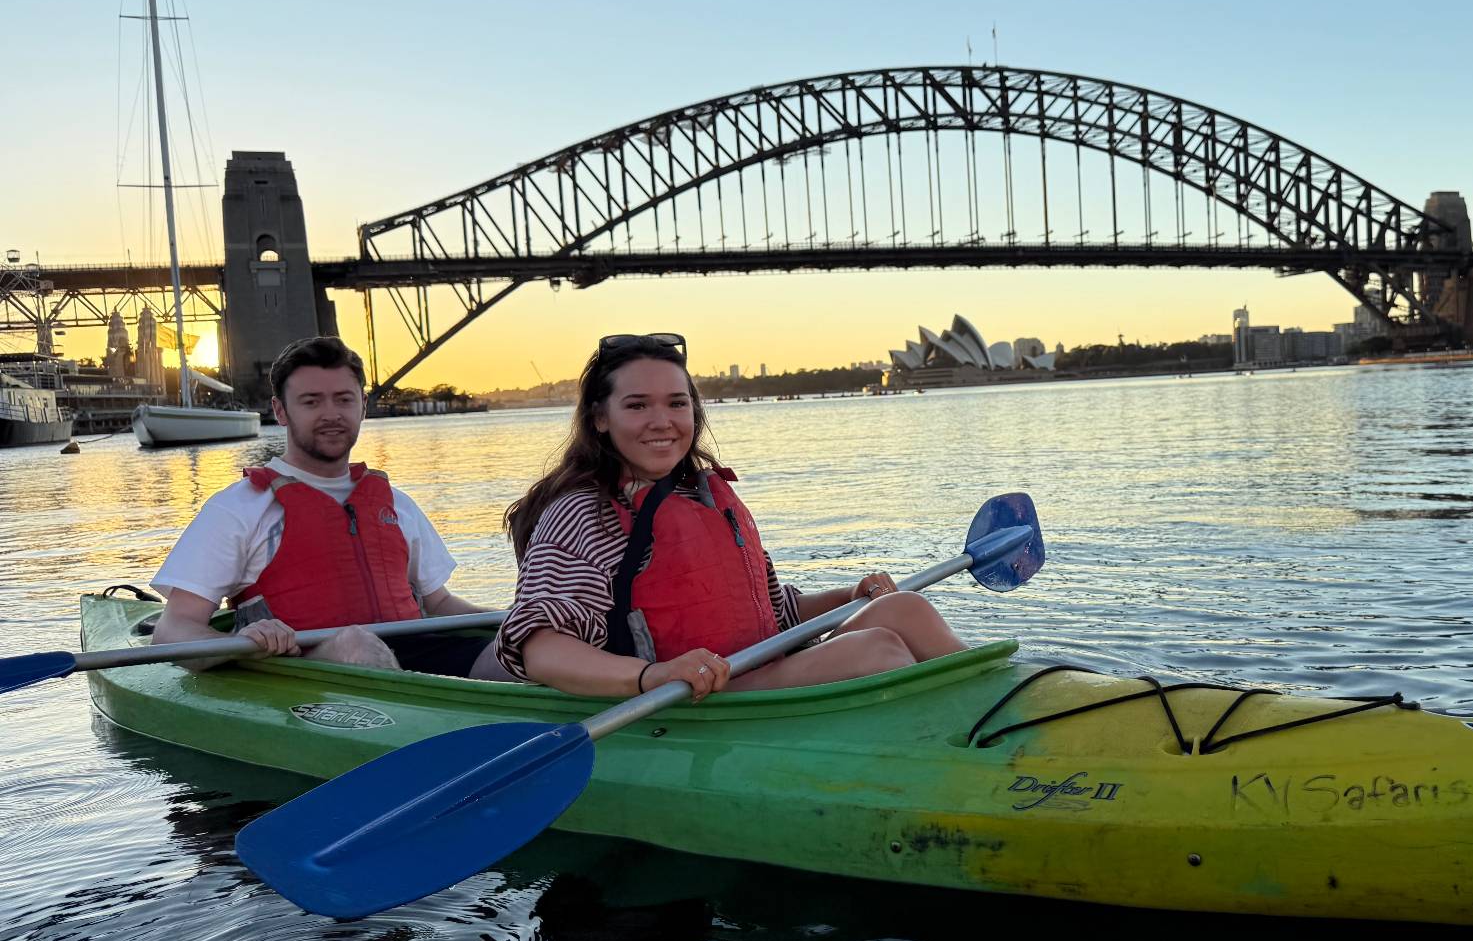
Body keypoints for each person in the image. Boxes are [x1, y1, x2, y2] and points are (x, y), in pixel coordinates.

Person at [495, 333, 967, 699]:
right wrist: (652, 676)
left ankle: (1010, 708)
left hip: (755, 671)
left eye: (677, 403)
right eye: (637, 405)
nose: (662, 421)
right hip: (693, 698)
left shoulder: (703, 493)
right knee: (875, 650)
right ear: (600, 418)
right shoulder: (583, 511)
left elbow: (775, 613)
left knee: (904, 608)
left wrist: (848, 595)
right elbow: (538, 648)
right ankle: (964, 747)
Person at [150, 336, 493, 675]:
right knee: (357, 646)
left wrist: (518, 620)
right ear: (281, 411)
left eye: (343, 400)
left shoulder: (396, 505)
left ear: (362, 405)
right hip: (305, 672)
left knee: (534, 649)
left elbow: (441, 605)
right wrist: (242, 640)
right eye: (311, 402)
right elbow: (172, 632)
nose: (331, 414)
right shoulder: (239, 509)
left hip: (419, 656)